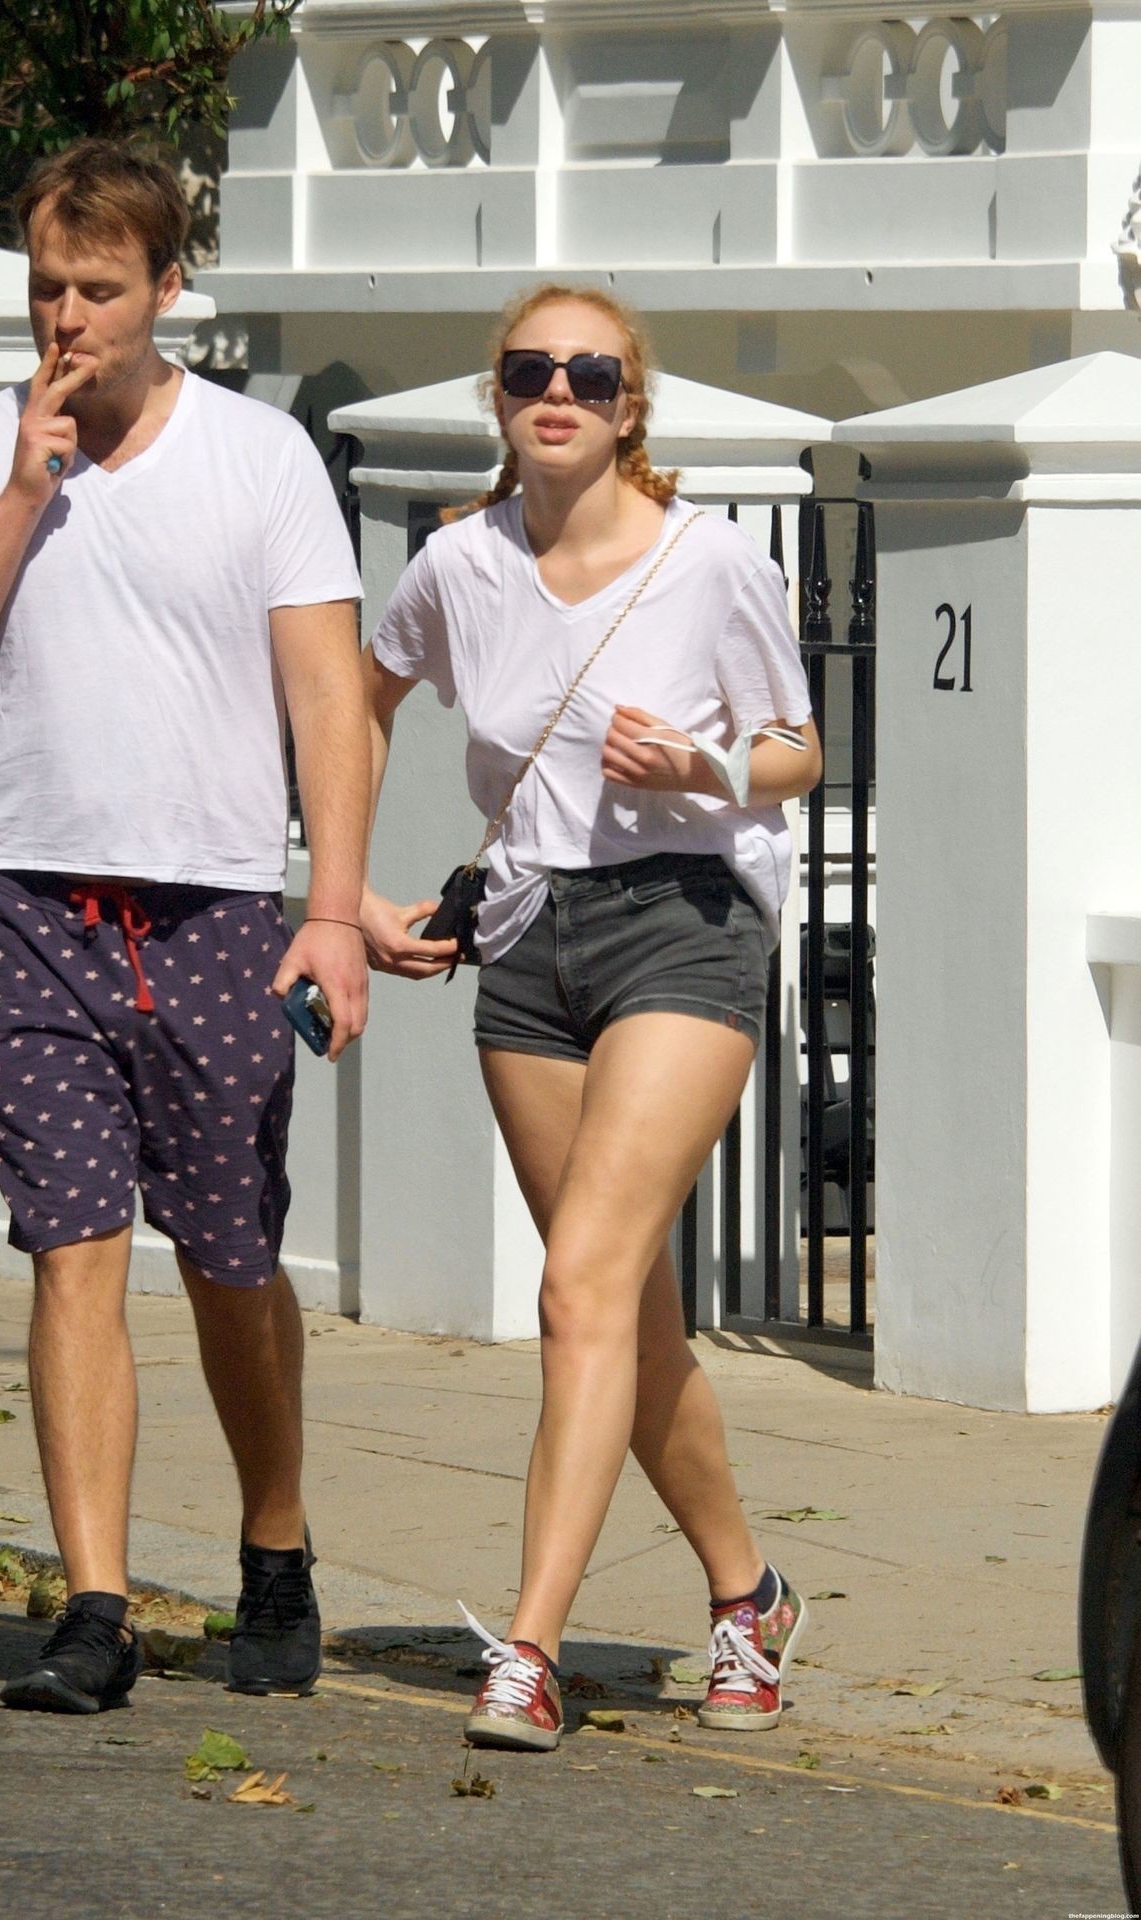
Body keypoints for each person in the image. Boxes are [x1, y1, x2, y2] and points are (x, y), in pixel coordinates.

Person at [0, 139, 370, 1712]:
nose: (66, 319)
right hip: (23, 901)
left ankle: (274, 1543)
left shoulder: (258, 459)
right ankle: (95, 1605)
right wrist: (25, 491)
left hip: (214, 910)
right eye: (46, 288)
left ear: (167, 289)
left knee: (229, 1258)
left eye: (97, 289)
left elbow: (328, 701)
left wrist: (334, 912)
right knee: (72, 1250)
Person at [360, 283, 824, 1752]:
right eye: (527, 370)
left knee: (577, 1291)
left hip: (683, 923)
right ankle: (748, 1597)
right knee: (620, 1308)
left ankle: (532, 1648)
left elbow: (798, 749)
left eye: (590, 374)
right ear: (497, 398)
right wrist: (340, 892)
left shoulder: (710, 561)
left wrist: (704, 767)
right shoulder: (457, 564)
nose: (556, 392)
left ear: (631, 409)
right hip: (523, 945)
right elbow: (353, 700)